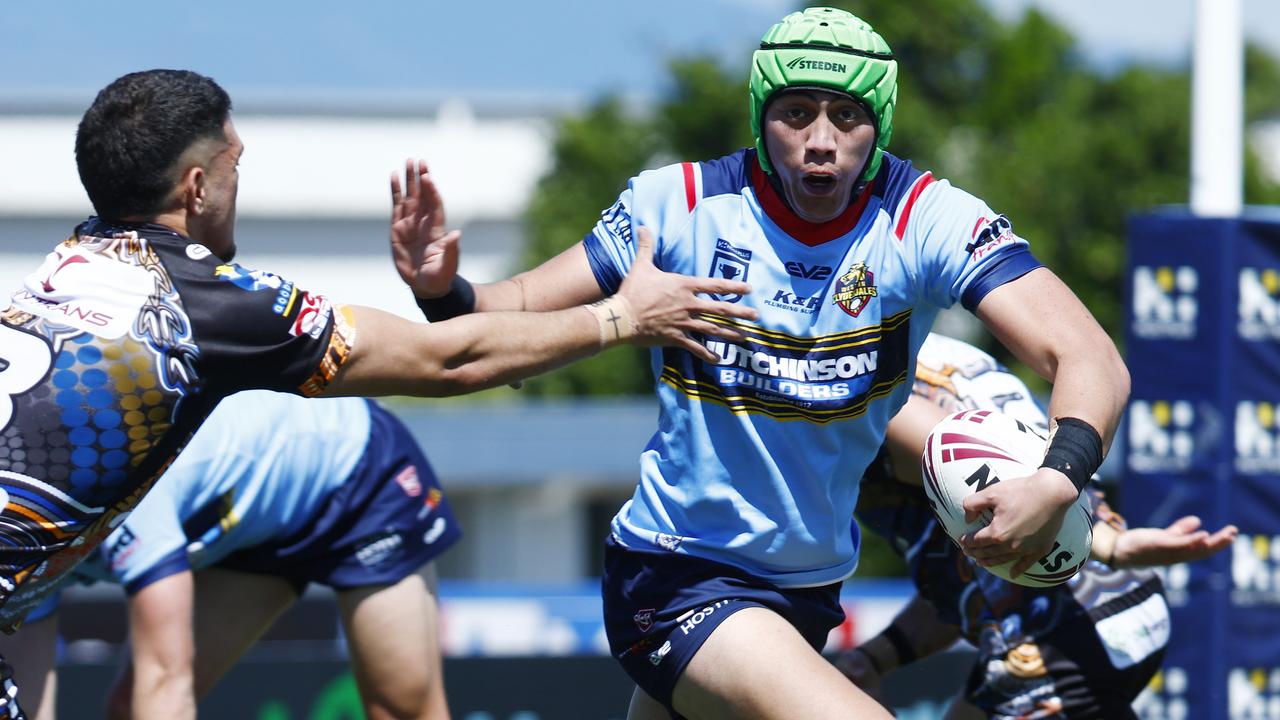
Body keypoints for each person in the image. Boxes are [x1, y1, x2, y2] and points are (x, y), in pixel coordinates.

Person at [394, 7, 1130, 719]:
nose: (820, 140)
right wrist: (445, 289)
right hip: (677, 576)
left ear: (879, 125)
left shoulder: (927, 221)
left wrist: (1057, 478)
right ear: (759, 117)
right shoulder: (680, 205)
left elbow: (1090, 356)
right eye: (795, 113)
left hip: (806, 593)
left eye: (846, 116)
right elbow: (515, 312)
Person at [0, 69, 756, 719]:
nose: (239, 186)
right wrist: (623, 316)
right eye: (236, 167)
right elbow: (444, 362)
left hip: (344, 488)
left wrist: (451, 290)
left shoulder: (60, 273)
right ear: (197, 189)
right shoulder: (202, 305)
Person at [840, 333, 1235, 719]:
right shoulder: (895, 352)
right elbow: (973, 574)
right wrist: (873, 659)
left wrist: (1109, 543)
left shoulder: (850, 387)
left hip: (1064, 629)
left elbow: (991, 480)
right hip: (1096, 606)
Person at [9, 391, 459, 720]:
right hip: (245, 524)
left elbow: (167, 683)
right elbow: (25, 707)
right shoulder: (15, 551)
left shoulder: (129, 496)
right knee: (131, 709)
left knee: (402, 709)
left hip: (361, 476)